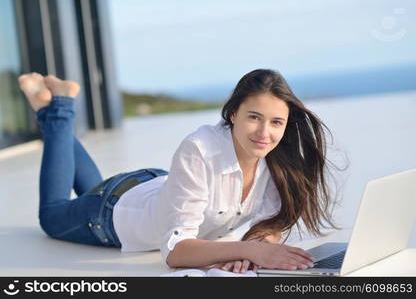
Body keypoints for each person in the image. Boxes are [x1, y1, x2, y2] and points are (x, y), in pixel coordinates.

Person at [18, 69, 338, 274]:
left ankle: (48, 105)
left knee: (95, 190)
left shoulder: (277, 161)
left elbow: (270, 225)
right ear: (233, 113)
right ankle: (58, 104)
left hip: (151, 188)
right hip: (111, 215)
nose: (264, 132)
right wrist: (245, 249)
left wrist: (255, 250)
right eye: (254, 117)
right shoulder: (200, 147)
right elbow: (175, 251)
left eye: (276, 122)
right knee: (52, 214)